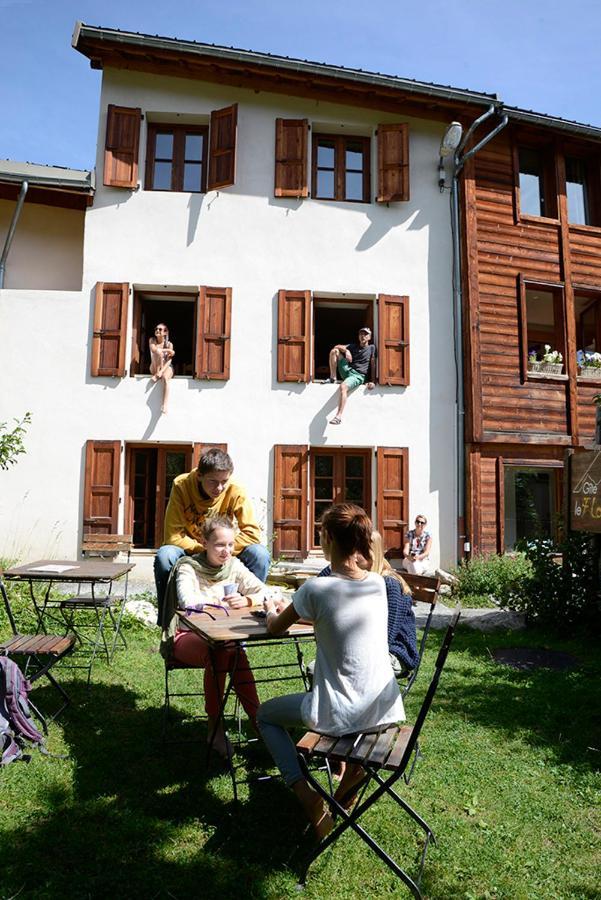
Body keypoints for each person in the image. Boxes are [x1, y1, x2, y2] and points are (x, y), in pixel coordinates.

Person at [257, 504, 405, 839]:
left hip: (339, 714)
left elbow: (276, 628)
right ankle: (340, 801)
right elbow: (336, 616)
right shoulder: (378, 585)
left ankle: (308, 797)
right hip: (384, 710)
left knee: (265, 716)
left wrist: (270, 609)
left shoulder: (315, 589)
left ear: (327, 538)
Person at [160, 515, 265, 757]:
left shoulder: (234, 566)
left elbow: (264, 591)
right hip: (186, 636)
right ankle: (219, 728)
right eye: (219, 545)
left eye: (230, 545)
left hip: (223, 640)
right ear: (204, 542)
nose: (226, 551)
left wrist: (246, 599)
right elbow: (188, 603)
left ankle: (254, 721)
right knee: (223, 651)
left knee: (229, 650)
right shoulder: (188, 567)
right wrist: (226, 604)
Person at [154, 448, 270, 622]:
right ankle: (168, 619)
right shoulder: (182, 485)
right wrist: (205, 548)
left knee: (260, 554)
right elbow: (173, 536)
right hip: (191, 549)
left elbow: (252, 534)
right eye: (213, 482)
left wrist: (224, 547)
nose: (219, 488)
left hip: (217, 547)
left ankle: (248, 615)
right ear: (199, 475)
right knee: (165, 555)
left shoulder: (236, 490)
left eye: (224, 481)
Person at [319, 530, 419, 675]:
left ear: (372, 553)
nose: (352, 555)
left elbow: (387, 634)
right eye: (350, 549)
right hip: (365, 650)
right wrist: (336, 562)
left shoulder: (390, 584)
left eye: (358, 550)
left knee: (327, 670)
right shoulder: (361, 577)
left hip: (394, 652)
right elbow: (318, 583)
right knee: (323, 667)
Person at [327, 326, 376, 425]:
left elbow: (373, 364)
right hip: (348, 370)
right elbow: (337, 346)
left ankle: (338, 417)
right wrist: (346, 351)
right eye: (361, 334)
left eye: (365, 334)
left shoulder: (371, 348)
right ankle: (333, 378)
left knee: (343, 387)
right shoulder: (353, 346)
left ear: (369, 337)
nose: (363, 336)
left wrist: (373, 381)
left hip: (358, 376)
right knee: (334, 351)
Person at [149, 323, 175, 414]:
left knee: (165, 378)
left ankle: (164, 405)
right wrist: (169, 351)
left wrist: (162, 372)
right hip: (154, 367)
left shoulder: (169, 344)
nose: (157, 330)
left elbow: (169, 361)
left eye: (160, 329)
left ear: (165, 332)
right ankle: (157, 374)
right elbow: (154, 349)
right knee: (158, 353)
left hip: (165, 367)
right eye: (156, 329)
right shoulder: (152, 340)